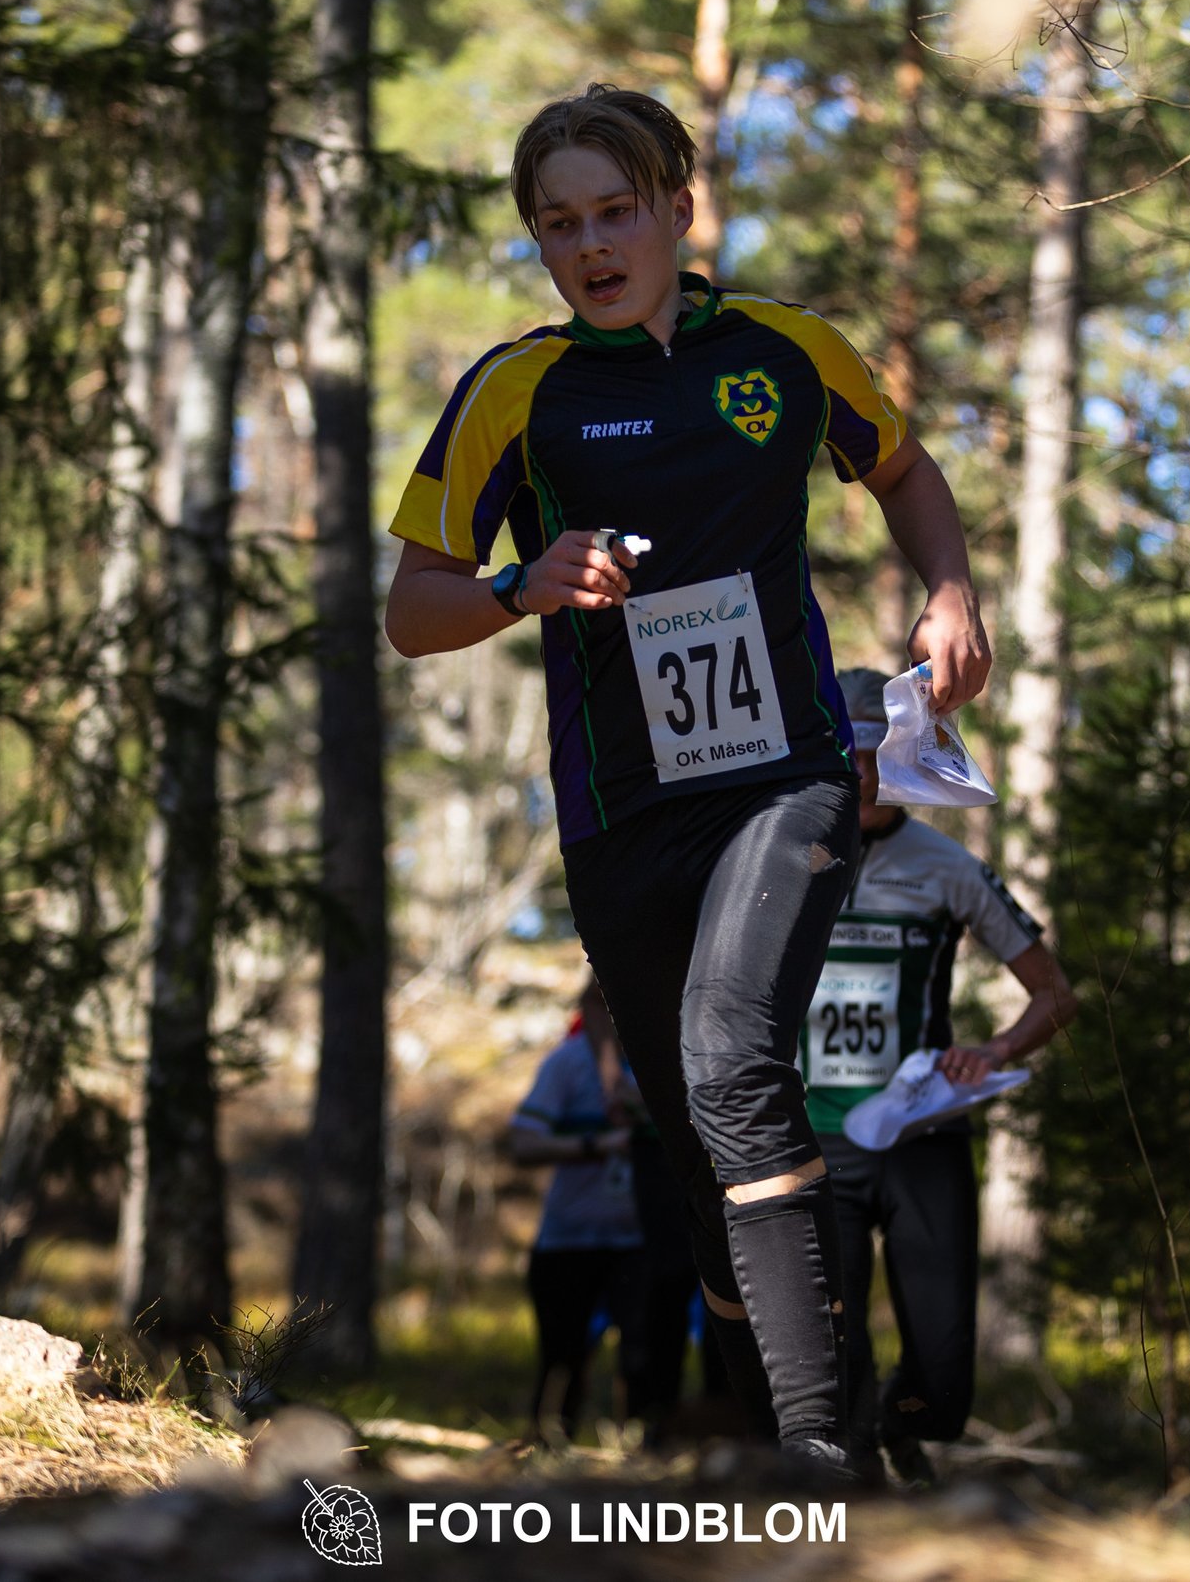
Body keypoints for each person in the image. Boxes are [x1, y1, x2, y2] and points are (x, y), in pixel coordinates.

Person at [384, 83, 992, 1479]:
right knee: (702, 1147)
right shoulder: (515, 391)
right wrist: (520, 582)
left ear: (677, 209)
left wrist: (951, 589)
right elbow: (410, 609)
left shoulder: (786, 351)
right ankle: (771, 1384)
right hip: (620, 819)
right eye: (559, 225)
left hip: (787, 778)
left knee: (735, 1055)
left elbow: (903, 471)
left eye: (616, 212)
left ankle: (820, 1451)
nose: (592, 245)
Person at [804, 668, 1077, 1486]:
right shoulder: (780, 852)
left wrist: (994, 1052)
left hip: (921, 1130)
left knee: (945, 1374)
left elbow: (1055, 994)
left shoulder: (946, 865)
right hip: (815, 1138)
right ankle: (858, 1493)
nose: (860, 772)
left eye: (875, 753)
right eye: (845, 753)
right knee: (831, 1349)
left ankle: (904, 1420)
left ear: (904, 758)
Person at [508, 984, 644, 1444]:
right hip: (567, 1242)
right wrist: (594, 1145)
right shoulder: (566, 1063)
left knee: (642, 1357)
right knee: (562, 1359)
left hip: (638, 1243)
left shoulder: (662, 1058)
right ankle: (549, 1446)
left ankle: (640, 1452)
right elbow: (523, 1143)